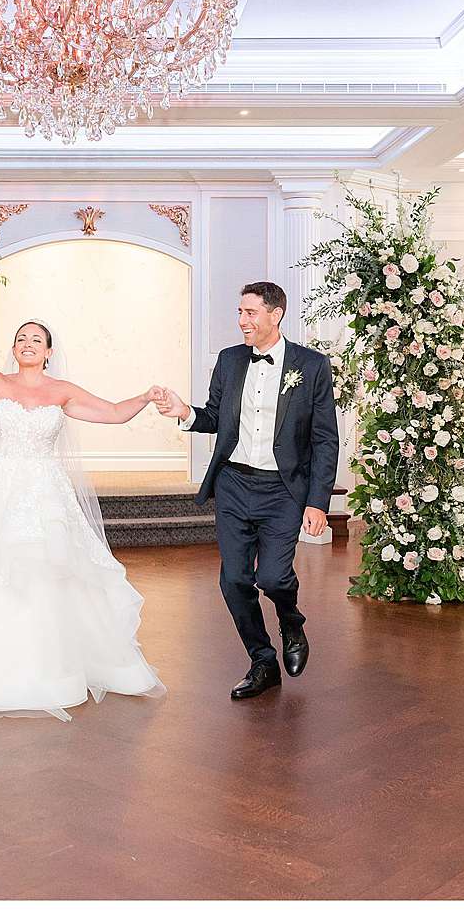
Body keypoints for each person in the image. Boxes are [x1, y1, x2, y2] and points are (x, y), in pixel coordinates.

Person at [0, 299, 165, 721]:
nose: (27, 344)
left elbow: (112, 414)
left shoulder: (63, 392)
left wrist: (146, 397)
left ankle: (51, 664)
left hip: (45, 492)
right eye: (21, 338)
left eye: (35, 339)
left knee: (49, 570)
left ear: (49, 351)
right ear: (14, 347)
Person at [155, 281, 339, 700]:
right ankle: (262, 660)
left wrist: (317, 502)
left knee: (273, 576)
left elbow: (326, 439)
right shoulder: (230, 360)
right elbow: (217, 417)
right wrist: (185, 412)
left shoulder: (311, 366)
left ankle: (290, 619)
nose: (242, 321)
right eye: (239, 312)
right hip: (235, 484)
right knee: (234, 581)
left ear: (275, 315)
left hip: (283, 490)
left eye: (250, 313)